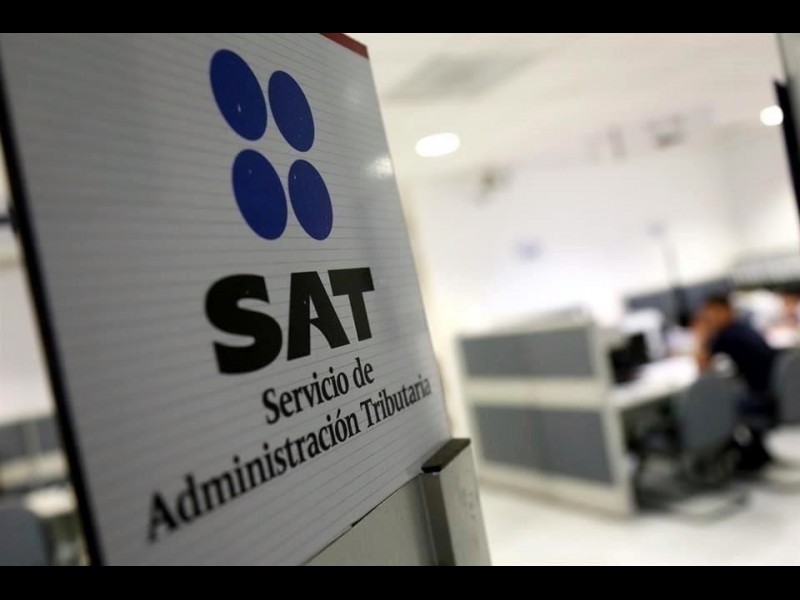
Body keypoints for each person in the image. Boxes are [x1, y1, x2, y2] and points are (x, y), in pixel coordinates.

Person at [694, 295, 777, 471]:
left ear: (724, 311)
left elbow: (702, 365)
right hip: (770, 390)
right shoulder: (743, 327)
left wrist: (702, 335)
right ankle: (752, 452)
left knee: (715, 405)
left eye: (710, 315)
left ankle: (728, 453)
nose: (710, 319)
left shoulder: (726, 334)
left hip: (759, 397)